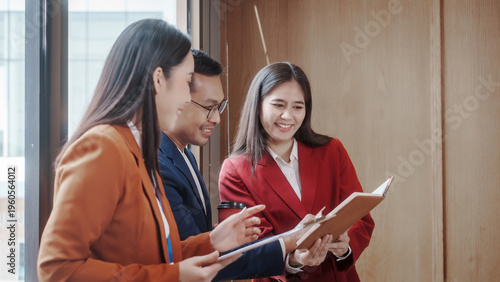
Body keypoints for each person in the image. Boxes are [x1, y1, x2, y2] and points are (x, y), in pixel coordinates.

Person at [37, 19, 267, 282]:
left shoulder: (140, 151)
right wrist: (174, 277)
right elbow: (58, 269)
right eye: (187, 80)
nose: (186, 97)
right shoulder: (102, 147)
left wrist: (211, 241)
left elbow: (158, 254)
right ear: (158, 79)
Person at [158, 50, 332, 281]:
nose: (217, 118)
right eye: (208, 107)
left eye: (219, 107)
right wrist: (292, 243)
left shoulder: (185, 156)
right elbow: (192, 256)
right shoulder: (160, 165)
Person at [218, 62, 375, 282]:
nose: (288, 116)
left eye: (298, 107)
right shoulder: (236, 170)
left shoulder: (332, 151)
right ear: (258, 105)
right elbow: (253, 249)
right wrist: (294, 261)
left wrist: (345, 248)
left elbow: (361, 219)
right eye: (278, 105)